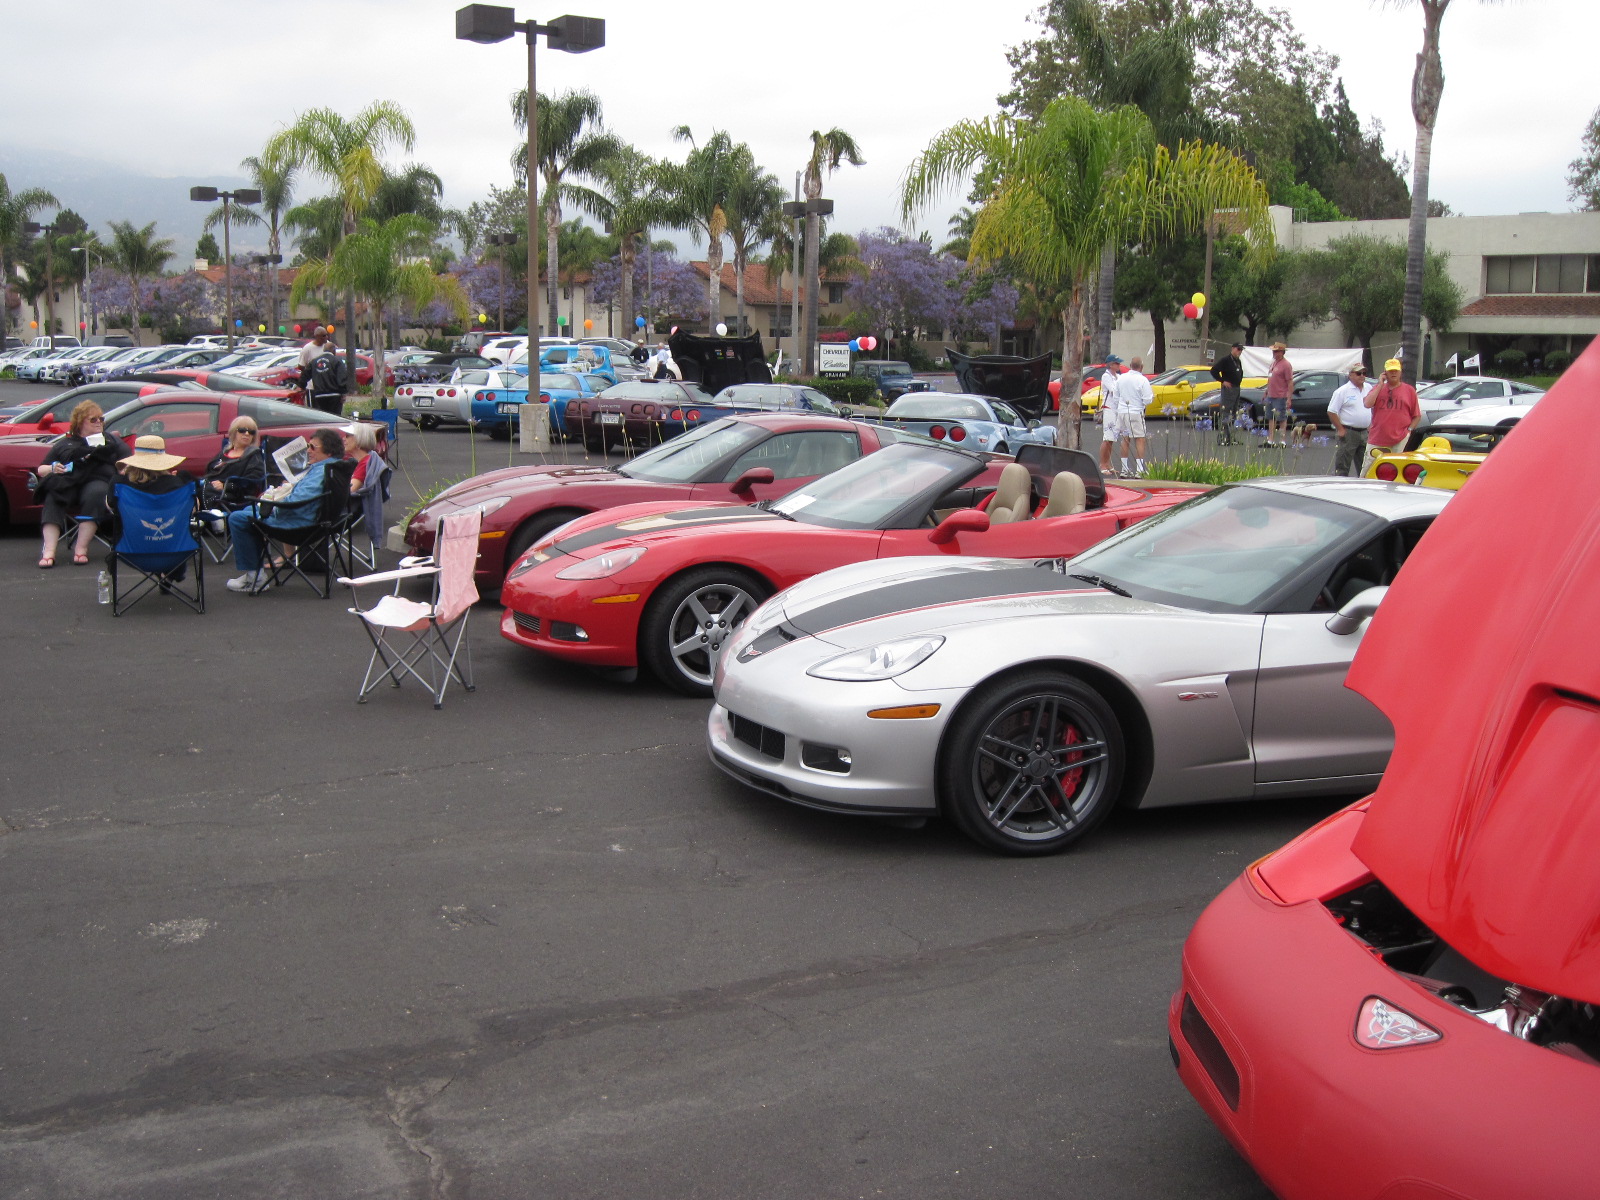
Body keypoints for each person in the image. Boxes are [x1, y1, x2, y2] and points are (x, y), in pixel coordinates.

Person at [224, 428, 342, 593]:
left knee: (238, 518)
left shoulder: (320, 472)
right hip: (319, 521)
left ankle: (254, 577)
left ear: (328, 452)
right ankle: (255, 574)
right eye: (308, 445)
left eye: (313, 447)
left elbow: (296, 501)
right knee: (248, 513)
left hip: (297, 524)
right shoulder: (335, 468)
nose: (308, 450)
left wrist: (272, 505)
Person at [33, 400, 132, 567]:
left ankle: (81, 548)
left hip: (97, 482)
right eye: (93, 419)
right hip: (68, 483)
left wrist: (124, 469)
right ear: (80, 422)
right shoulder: (66, 443)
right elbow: (41, 469)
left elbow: (129, 461)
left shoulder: (110, 441)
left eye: (101, 419)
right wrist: (52, 468)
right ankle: (49, 551)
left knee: (97, 492)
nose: (99, 422)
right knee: (53, 495)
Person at [1362, 358, 1422, 473]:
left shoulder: (1409, 391)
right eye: (1390, 371)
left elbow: (1417, 416)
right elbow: (1367, 404)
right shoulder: (1378, 389)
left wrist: (1409, 431)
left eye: (1396, 370)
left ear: (1400, 372)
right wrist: (1380, 384)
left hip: (1400, 439)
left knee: (1396, 471)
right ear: (1385, 373)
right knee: (1368, 470)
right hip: (1377, 438)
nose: (1393, 373)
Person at [1325, 365, 1374, 476]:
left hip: (1365, 432)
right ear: (1350, 375)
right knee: (1343, 465)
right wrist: (1340, 429)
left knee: (1365, 465)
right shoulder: (1342, 391)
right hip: (1349, 432)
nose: (1362, 376)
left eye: (1364, 373)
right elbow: (1331, 411)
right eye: (1358, 373)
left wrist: (1371, 424)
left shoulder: (1369, 388)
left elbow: (1373, 407)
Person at [1110, 356, 1154, 478]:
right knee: (1140, 439)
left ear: (1130, 365)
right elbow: (1147, 399)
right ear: (1141, 367)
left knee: (1125, 439)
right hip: (1135, 411)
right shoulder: (1143, 380)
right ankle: (1139, 470)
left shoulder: (1121, 378)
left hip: (1122, 411)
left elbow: (1115, 396)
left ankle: (1125, 469)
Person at [1210, 343, 1245, 446]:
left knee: (1233, 413)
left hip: (1236, 388)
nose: (1239, 352)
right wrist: (1222, 381)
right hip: (1228, 389)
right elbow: (1214, 370)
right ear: (1233, 349)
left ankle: (1230, 437)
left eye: (1241, 350)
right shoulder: (1225, 360)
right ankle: (1222, 437)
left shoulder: (1238, 361)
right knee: (1226, 413)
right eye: (1238, 349)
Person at [1096, 355, 1123, 476]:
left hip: (1116, 409)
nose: (1119, 365)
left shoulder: (1118, 376)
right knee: (1107, 438)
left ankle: (1108, 463)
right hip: (1109, 408)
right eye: (1117, 364)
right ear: (1111, 365)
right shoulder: (1106, 376)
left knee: (1112, 439)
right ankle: (1102, 464)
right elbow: (1114, 390)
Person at [306, 341, 350, 415]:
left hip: (319, 395)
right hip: (335, 395)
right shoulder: (337, 361)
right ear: (333, 350)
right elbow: (342, 377)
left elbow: (305, 375)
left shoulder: (314, 362)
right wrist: (343, 392)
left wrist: (301, 385)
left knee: (322, 417)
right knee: (334, 417)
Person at [1264, 342, 1293, 448]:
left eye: (1276, 351)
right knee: (1270, 417)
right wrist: (1266, 392)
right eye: (1273, 351)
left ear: (1282, 352)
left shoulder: (1286, 365)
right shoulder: (1273, 363)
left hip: (1281, 395)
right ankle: (1270, 439)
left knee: (1281, 418)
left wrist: (1289, 398)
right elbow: (1270, 379)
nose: (1274, 353)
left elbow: (1290, 382)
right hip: (1271, 395)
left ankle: (1282, 440)